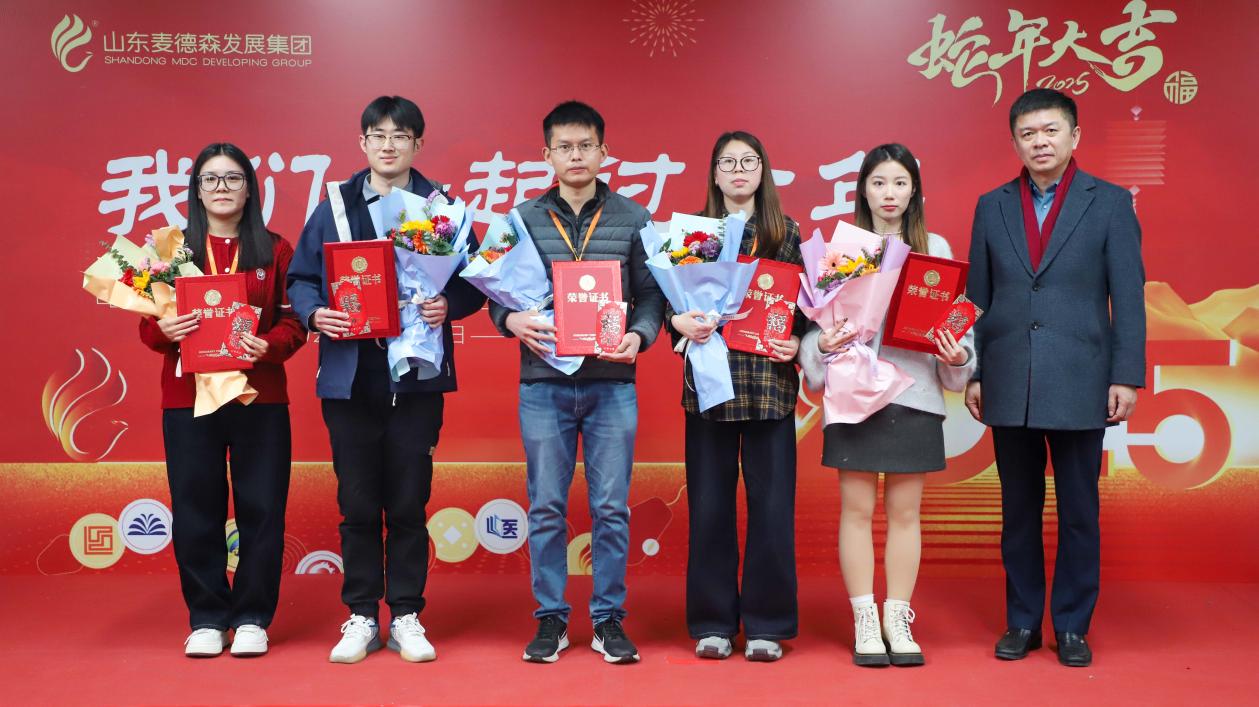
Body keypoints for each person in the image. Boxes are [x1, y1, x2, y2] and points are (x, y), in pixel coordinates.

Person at [286, 96, 485, 664]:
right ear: (363, 143)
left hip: (416, 374)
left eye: (401, 136)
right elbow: (301, 278)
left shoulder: (442, 207)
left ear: (417, 144)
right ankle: (360, 613)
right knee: (356, 500)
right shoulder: (334, 205)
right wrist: (313, 313)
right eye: (378, 135)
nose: (389, 145)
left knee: (407, 499)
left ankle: (406, 614)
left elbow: (477, 278)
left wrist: (450, 303)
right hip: (351, 373)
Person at [965, 88, 1145, 668]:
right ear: (1014, 141)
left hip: (1081, 378)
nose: (1039, 142)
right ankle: (1021, 621)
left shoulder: (1110, 203)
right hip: (1008, 378)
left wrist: (1126, 375)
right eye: (1027, 133)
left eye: (1050, 131)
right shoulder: (991, 206)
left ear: (1074, 136)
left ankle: (1071, 625)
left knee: (1079, 511)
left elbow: (1129, 296)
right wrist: (974, 371)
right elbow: (976, 298)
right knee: (1017, 510)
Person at [488, 100, 664, 664]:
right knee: (545, 506)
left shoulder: (634, 218)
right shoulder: (521, 219)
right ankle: (551, 619)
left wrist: (640, 335)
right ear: (547, 155)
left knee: (611, 508)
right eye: (564, 147)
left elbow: (653, 295)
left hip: (612, 382)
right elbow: (495, 292)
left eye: (586, 145)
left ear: (604, 151)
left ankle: (609, 619)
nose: (576, 155)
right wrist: (509, 321)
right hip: (544, 382)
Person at [799, 143, 975, 667]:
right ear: (863, 190)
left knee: (905, 514)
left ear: (914, 190)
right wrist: (822, 345)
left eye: (900, 182)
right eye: (879, 183)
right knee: (856, 511)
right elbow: (814, 331)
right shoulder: (845, 248)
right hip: (854, 396)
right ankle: (864, 617)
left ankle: (897, 617)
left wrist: (959, 354)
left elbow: (956, 323)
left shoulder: (934, 248)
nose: (889, 193)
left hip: (913, 394)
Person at [139, 142, 305, 657]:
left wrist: (269, 345)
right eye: (210, 179)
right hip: (188, 398)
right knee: (195, 507)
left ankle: (253, 617)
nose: (221, 188)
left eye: (233, 178)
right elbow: (148, 326)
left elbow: (294, 322)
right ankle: (208, 617)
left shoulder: (275, 249)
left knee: (263, 507)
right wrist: (164, 330)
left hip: (260, 396)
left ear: (250, 189)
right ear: (196, 190)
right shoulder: (171, 250)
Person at [667, 131, 804, 662]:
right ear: (715, 174)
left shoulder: (786, 232)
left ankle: (767, 624)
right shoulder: (692, 234)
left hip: (769, 388)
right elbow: (668, 302)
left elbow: (807, 309)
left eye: (749, 161)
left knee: (772, 510)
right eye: (729, 162)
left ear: (763, 171)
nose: (739, 170)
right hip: (708, 387)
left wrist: (799, 341)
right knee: (709, 509)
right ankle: (713, 622)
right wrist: (678, 322)